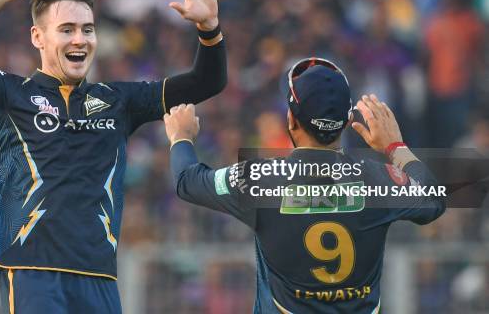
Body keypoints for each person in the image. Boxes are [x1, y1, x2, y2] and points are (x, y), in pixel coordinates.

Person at [0, 0, 226, 313]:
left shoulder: (120, 102)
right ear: (38, 38)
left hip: (99, 277)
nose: (80, 39)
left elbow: (206, 82)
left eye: (88, 29)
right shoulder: (6, 95)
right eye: (66, 29)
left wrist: (209, 28)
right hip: (31, 271)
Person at [164, 58, 446, 313]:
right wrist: (395, 147)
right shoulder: (377, 179)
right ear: (348, 121)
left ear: (290, 119)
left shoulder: (259, 180)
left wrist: (181, 137)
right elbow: (434, 201)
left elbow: (187, 181)